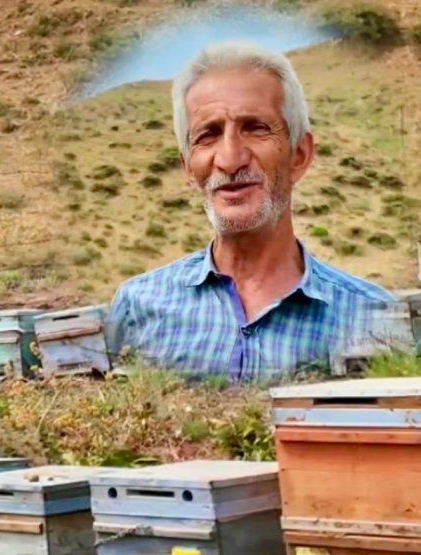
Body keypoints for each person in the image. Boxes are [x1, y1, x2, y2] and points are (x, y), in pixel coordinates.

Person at [105, 41, 400, 382]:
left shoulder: (373, 314)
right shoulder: (136, 308)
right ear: (188, 168)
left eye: (256, 128)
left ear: (299, 155)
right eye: (207, 135)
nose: (230, 159)